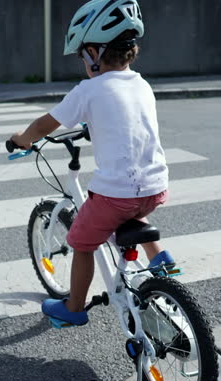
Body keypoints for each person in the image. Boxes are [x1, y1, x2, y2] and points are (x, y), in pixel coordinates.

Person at [9, 0, 175, 328]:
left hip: (117, 194)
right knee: (133, 211)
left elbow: (46, 124)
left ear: (94, 54)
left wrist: (23, 138)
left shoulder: (89, 89)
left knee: (81, 242)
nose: (83, 62)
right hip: (155, 188)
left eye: (83, 54)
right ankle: (161, 262)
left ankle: (73, 307)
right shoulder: (142, 84)